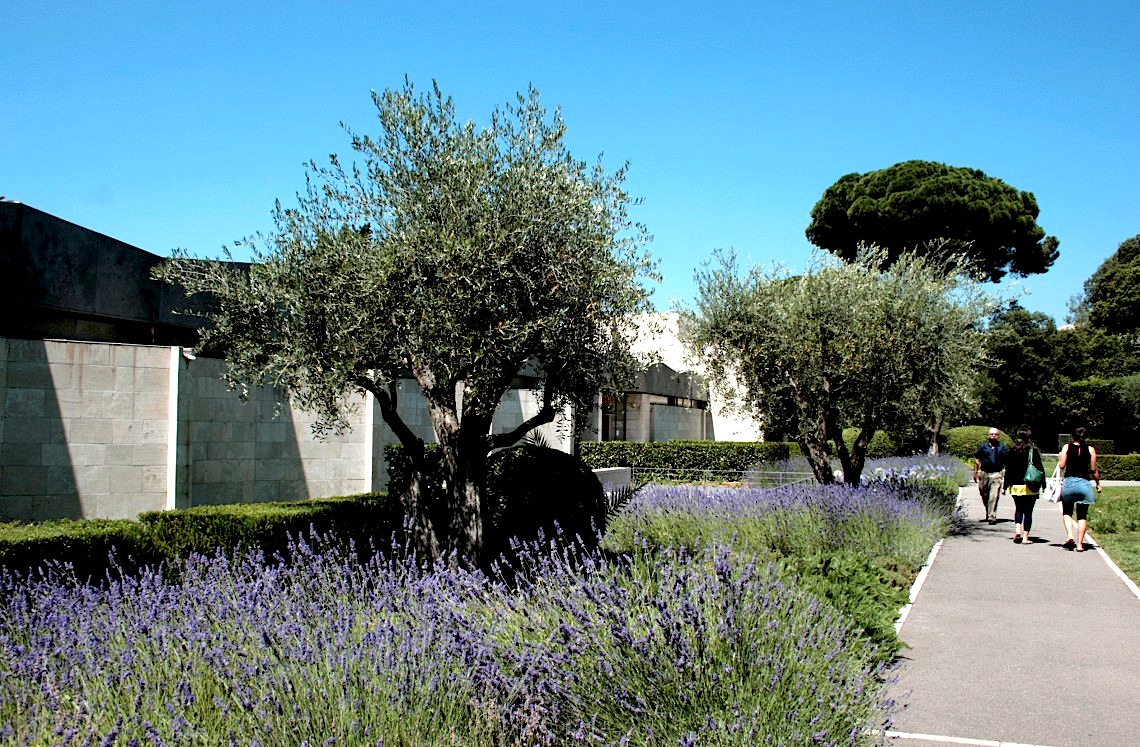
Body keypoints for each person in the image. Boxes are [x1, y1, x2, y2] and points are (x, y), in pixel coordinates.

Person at [1058, 426, 1102, 552]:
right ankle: (1079, 544)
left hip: (1069, 482)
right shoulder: (1091, 449)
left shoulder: (1067, 447)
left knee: (1067, 512)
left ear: (1073, 436)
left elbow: (1061, 466)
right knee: (1082, 515)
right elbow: (1093, 470)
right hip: (1084, 483)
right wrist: (1098, 484)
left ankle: (1070, 536)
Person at [1003, 427, 1046, 544]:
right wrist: (1043, 485)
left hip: (1016, 486)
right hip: (1030, 486)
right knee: (1028, 511)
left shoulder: (1012, 451)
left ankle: (1017, 530)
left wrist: (1005, 486)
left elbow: (1008, 470)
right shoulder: (1033, 451)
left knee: (1018, 509)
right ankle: (1026, 537)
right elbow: (1040, 469)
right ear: (1029, 437)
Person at [973, 427, 1009, 524]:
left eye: (996, 434)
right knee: (984, 494)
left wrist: (1007, 477)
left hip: (997, 474)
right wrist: (975, 472)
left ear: (998, 436)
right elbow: (977, 459)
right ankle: (988, 511)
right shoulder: (983, 446)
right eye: (992, 434)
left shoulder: (1002, 447)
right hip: (985, 473)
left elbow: (1007, 463)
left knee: (994, 495)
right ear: (988, 435)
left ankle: (992, 516)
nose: (994, 436)